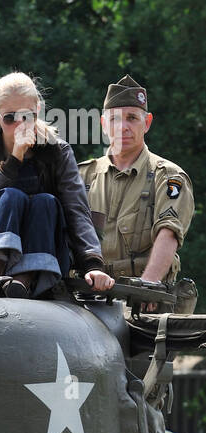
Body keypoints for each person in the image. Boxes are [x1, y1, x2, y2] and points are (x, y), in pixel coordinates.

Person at [0, 71, 115, 297]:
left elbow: (76, 211)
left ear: (38, 111)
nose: (19, 125)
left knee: (45, 202)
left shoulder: (57, 151)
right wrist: (12, 163)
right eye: (10, 118)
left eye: (27, 116)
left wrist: (92, 265)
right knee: (11, 197)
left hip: (44, 258)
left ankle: (22, 281)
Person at [79, 74, 195, 309]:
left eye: (132, 118)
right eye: (114, 119)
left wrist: (147, 286)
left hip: (144, 300)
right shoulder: (83, 176)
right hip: (86, 296)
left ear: (147, 122)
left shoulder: (168, 176)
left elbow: (168, 234)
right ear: (103, 124)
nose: (123, 127)